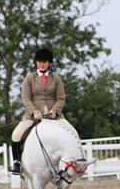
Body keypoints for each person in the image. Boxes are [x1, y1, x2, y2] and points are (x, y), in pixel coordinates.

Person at [9, 47, 74, 175]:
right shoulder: (29, 79)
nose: (42, 64)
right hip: (33, 115)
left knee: (73, 132)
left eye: (44, 62)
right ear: (36, 63)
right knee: (16, 135)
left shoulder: (56, 79)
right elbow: (26, 97)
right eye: (39, 61)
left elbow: (61, 98)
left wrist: (55, 110)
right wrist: (33, 111)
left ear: (49, 63)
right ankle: (17, 162)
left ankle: (76, 161)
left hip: (55, 116)